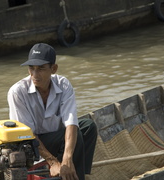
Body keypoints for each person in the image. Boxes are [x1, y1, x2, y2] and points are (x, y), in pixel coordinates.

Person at [7, 43, 97, 180]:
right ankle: (70, 173)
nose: (34, 74)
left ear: (53, 69)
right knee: (76, 136)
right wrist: (53, 162)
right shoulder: (18, 92)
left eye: (41, 69)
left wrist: (67, 158)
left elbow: (71, 122)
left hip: (55, 137)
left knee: (88, 127)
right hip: (30, 145)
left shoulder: (63, 84)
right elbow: (28, 135)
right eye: (31, 68)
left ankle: (74, 172)